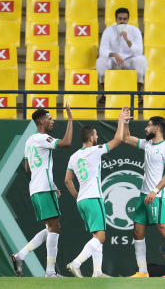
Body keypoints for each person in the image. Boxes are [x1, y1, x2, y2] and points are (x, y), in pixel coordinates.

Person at [65, 108, 129, 278]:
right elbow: (117, 140)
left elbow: (67, 180)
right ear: (91, 137)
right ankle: (76, 263)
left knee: (95, 235)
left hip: (82, 201)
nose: (98, 137)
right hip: (94, 198)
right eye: (96, 135)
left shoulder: (74, 156)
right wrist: (121, 120)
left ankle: (97, 272)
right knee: (101, 237)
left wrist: (76, 195)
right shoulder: (95, 150)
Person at [122, 116, 165, 278]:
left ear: (157, 128)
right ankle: (143, 272)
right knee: (138, 232)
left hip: (158, 196)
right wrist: (125, 122)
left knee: (164, 230)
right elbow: (125, 138)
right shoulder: (147, 144)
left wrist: (155, 190)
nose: (146, 128)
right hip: (143, 196)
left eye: (148, 125)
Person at [11, 105, 73, 277]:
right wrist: (70, 119)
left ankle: (20, 255)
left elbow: (27, 168)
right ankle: (50, 272)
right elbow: (66, 143)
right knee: (54, 228)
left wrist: (50, 184)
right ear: (40, 121)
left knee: (51, 227)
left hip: (37, 188)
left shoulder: (29, 140)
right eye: (49, 118)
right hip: (43, 187)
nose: (52, 121)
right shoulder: (42, 138)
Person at [96, 8, 147, 90]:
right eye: (120, 19)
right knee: (100, 61)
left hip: (129, 60)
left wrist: (127, 40)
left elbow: (139, 52)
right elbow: (102, 50)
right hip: (113, 60)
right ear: (116, 19)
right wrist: (114, 54)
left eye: (125, 19)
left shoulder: (135, 30)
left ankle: (138, 93)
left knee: (141, 60)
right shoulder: (108, 30)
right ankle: (104, 94)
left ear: (128, 20)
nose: (122, 21)